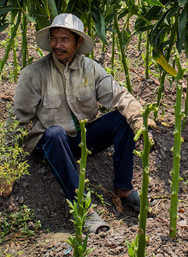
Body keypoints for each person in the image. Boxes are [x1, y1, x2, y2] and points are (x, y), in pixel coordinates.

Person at [13, 13, 148, 233]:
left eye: (64, 39)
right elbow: (17, 118)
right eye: (54, 38)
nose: (58, 45)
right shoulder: (34, 73)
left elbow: (119, 96)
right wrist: (6, 162)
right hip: (49, 142)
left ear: (78, 42)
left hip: (81, 140)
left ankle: (123, 188)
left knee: (122, 118)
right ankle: (83, 209)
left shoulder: (91, 69)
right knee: (55, 134)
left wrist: (141, 122)